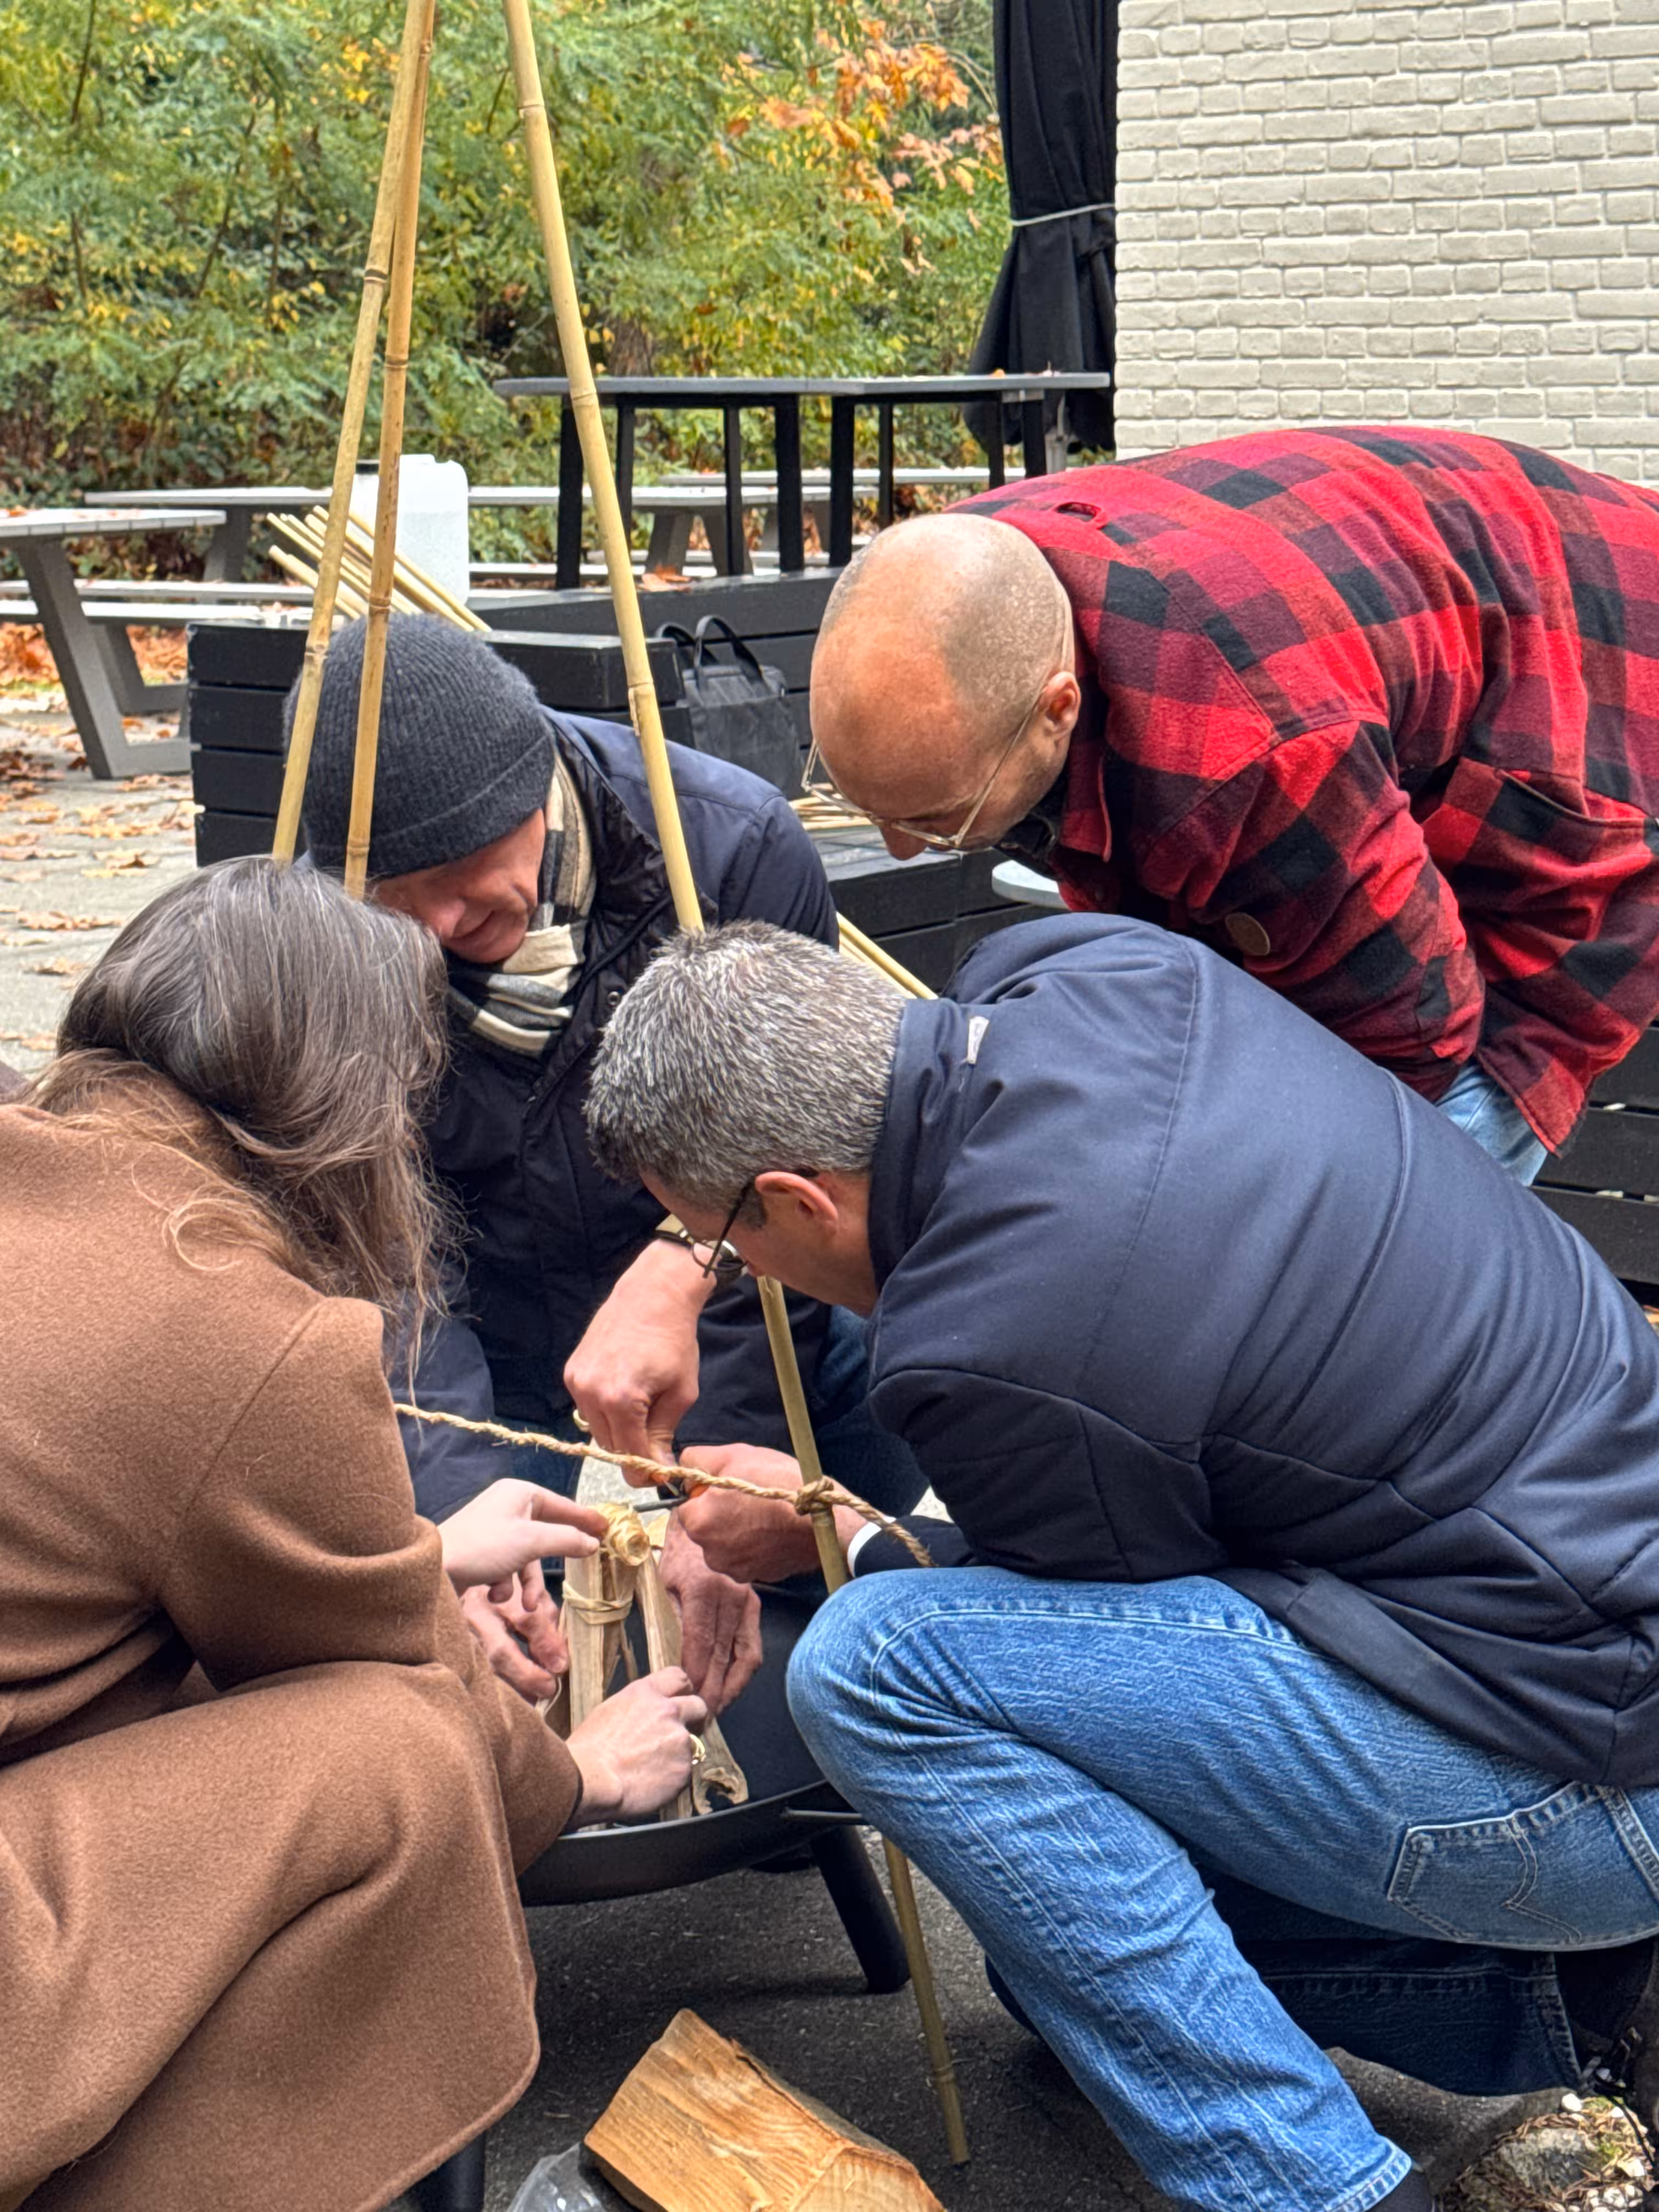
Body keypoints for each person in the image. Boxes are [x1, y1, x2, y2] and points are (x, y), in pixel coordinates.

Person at [584, 913, 1659, 2212]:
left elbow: (1068, 1638)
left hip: (1589, 1781)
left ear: (799, 1201)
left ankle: (1325, 2191)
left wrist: (850, 1539)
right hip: (1586, 1602)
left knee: (884, 1674)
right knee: (1058, 1962)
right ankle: (1592, 2006)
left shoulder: (991, 1339)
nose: (734, 1270)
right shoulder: (1085, 968)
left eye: (720, 1242)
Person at [0, 860, 704, 2212]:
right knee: (399, 1755)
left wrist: (420, 1553)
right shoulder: (221, 1308)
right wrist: (577, 1778)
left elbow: (96, 1539)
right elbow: (401, 1673)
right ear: (356, 1103)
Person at [291, 614, 923, 1705]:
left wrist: (710, 1488)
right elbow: (389, 1258)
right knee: (487, 1618)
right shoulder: (322, 933)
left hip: (731, 1274)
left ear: (537, 789)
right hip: (493, 1313)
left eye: (464, 872)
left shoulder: (722, 850)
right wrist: (456, 1516)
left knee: (828, 1506)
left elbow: (784, 1177)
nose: (441, 922)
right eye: (403, 894)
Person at [804, 426, 1659, 1185]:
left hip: (1602, 683)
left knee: (1404, 1178)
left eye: (936, 817)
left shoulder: (1249, 757)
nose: (903, 850)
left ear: (1057, 708)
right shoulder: (957, 580)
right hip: (1401, 644)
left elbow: (1418, 1033)